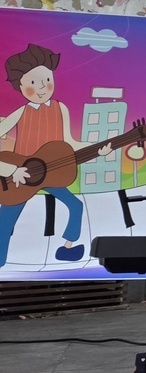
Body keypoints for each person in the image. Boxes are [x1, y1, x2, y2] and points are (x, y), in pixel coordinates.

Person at [0, 43, 113, 267]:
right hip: (23, 174)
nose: (42, 87)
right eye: (33, 83)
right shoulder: (22, 112)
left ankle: (67, 248)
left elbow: (70, 142)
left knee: (75, 205)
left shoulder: (60, 108)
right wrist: (13, 169)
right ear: (20, 86)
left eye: (47, 81)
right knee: (6, 221)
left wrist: (97, 149)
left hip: (51, 171)